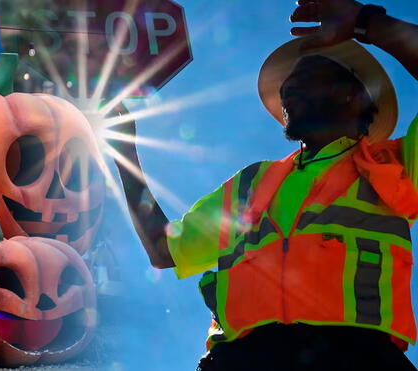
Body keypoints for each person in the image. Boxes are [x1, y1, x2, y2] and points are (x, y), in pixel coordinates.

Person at [112, 1, 418, 370]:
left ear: (353, 94)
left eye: (307, 76)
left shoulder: (397, 164)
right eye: (289, 83)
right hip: (239, 360)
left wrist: (367, 23)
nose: (288, 89)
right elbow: (165, 250)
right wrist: (124, 154)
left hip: (358, 357)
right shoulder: (251, 183)